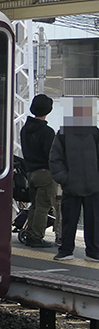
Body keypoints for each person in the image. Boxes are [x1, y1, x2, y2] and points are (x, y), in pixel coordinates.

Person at [50, 97, 99, 261]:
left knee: (94, 220)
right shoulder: (63, 134)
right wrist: (65, 178)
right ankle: (66, 250)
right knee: (69, 220)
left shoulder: (95, 133)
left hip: (93, 185)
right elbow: (55, 159)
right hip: (71, 186)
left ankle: (93, 251)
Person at [20, 94, 57, 248]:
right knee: (43, 206)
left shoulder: (24, 129)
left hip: (30, 172)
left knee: (35, 205)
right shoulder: (47, 132)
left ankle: (30, 234)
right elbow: (51, 154)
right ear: (48, 110)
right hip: (45, 173)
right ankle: (36, 237)